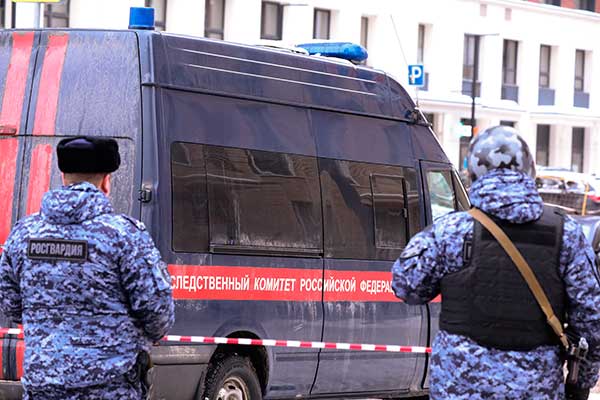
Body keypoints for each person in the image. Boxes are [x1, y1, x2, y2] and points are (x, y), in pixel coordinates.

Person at [391, 125, 600, 400]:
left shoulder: (450, 231)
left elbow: (406, 286)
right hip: (535, 389)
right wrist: (580, 383)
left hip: (459, 388)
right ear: (529, 170)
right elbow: (591, 319)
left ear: (474, 173)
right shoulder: (566, 234)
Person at [0, 136, 175, 399]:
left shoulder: (23, 235)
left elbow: (11, 306)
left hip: (43, 388)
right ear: (106, 182)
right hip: (110, 389)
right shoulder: (124, 236)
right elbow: (159, 315)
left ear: (63, 176)